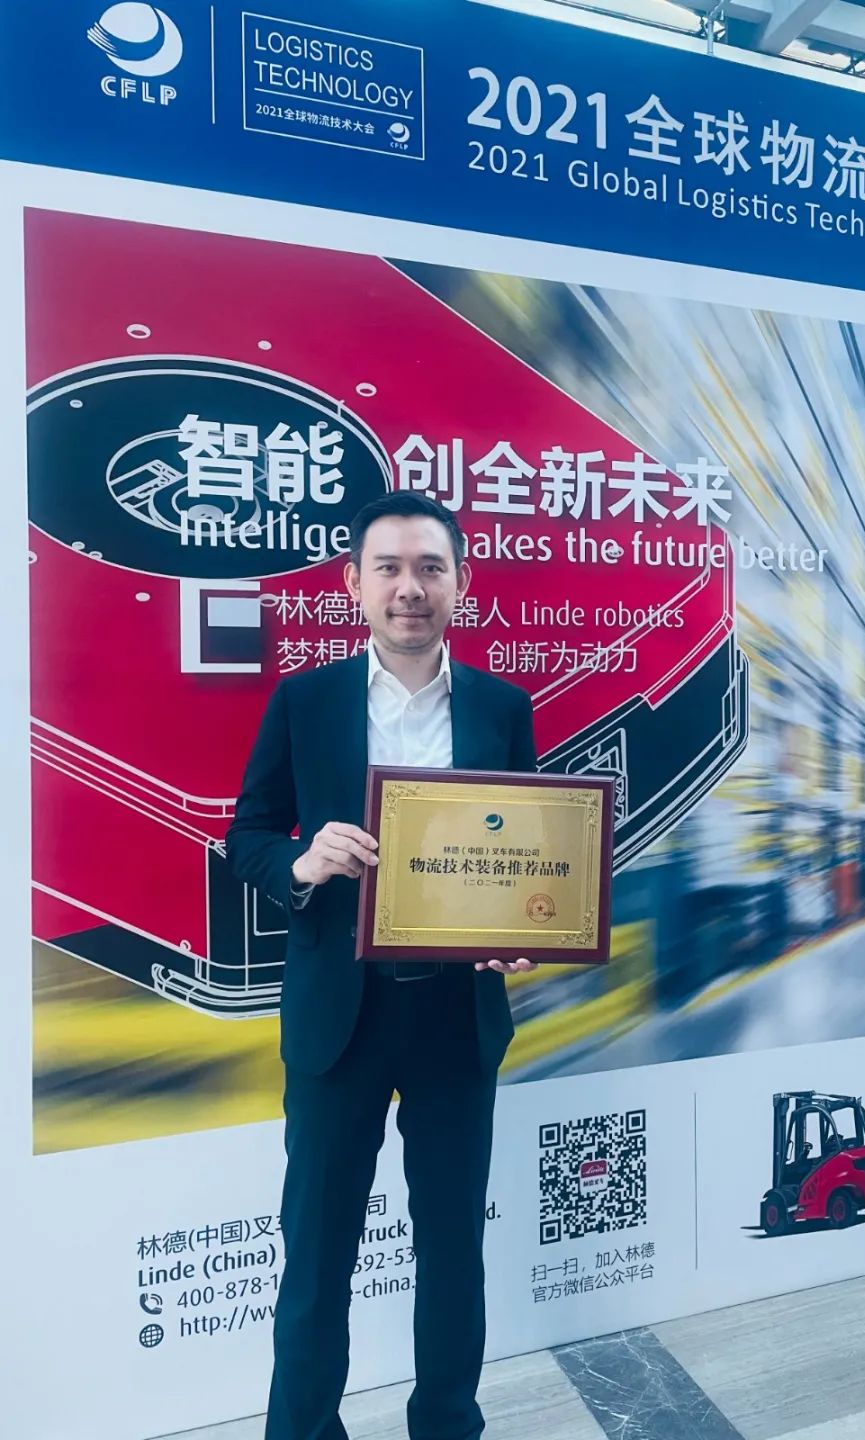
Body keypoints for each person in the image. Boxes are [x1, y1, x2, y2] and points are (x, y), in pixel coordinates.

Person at [227, 491, 539, 1440]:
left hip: (456, 1015)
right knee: (317, 1256)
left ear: (461, 584)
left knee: (453, 1251)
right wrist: (301, 862)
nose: (411, 588)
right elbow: (246, 835)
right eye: (390, 568)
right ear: (354, 583)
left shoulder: (502, 707)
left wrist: (522, 925)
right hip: (340, 1020)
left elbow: (528, 851)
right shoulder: (307, 701)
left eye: (430, 569)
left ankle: (447, 1425)